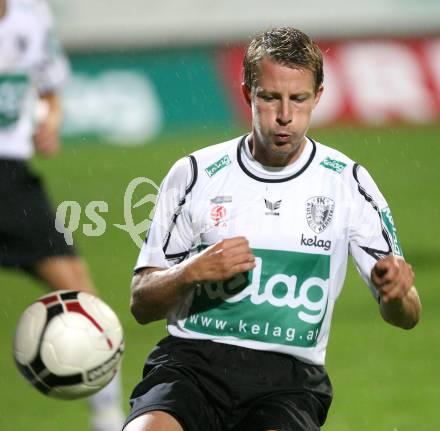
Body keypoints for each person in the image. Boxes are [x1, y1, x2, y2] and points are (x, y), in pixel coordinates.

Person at [125, 27, 421, 431]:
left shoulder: (347, 183)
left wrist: (397, 293)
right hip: (190, 366)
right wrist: (191, 271)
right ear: (248, 93)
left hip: (288, 381)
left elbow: (406, 316)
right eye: (270, 98)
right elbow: (141, 303)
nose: (284, 115)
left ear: (318, 96)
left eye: (298, 99)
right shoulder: (194, 174)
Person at [0, 1, 124, 430]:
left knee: (84, 300)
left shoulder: (32, 15)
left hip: (12, 180)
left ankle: (109, 416)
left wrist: (49, 121)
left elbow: (48, 91)